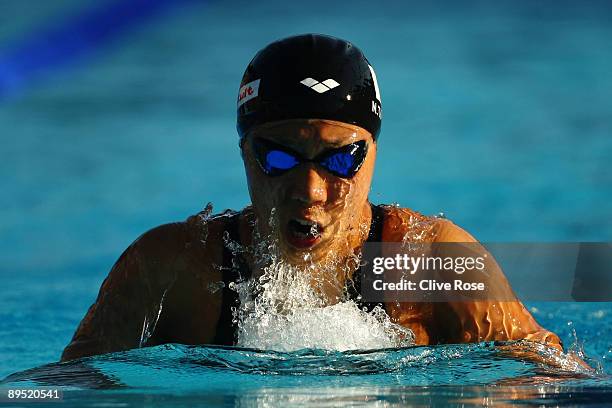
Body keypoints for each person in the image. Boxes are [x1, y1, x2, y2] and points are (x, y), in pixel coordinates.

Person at [61, 33, 563, 362]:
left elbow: (552, 376)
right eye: (278, 159)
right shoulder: (171, 269)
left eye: (341, 159)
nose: (310, 190)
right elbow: (58, 392)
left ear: (373, 153)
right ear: (243, 153)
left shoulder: (425, 261)